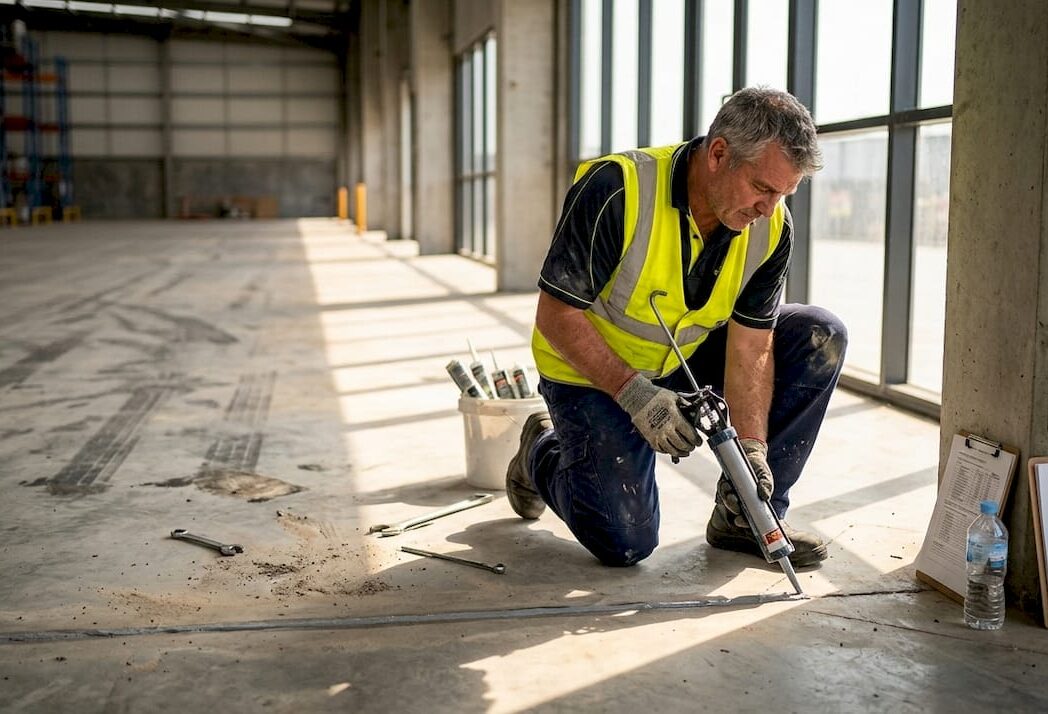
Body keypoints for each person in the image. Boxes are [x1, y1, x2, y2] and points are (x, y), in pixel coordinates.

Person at [506, 87, 847, 568]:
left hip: (687, 356)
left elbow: (752, 347)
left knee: (819, 336)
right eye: (763, 188)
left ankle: (747, 514)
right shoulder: (618, 189)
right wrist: (636, 395)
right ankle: (540, 449)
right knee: (625, 542)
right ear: (719, 154)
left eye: (784, 194)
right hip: (592, 372)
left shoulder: (771, 228)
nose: (768, 209)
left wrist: (750, 447)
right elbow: (556, 316)